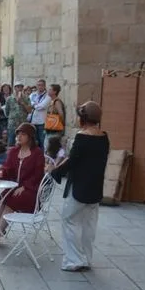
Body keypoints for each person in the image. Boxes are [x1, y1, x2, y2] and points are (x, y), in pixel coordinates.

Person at [49, 102, 110, 271]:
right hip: (95, 186)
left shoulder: (82, 137)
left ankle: (73, 260)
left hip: (80, 187)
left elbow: (73, 161)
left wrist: (56, 171)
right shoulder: (104, 136)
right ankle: (86, 259)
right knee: (89, 224)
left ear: (83, 118)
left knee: (70, 220)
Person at [0, 123, 46, 245]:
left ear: (30, 137)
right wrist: (1, 173)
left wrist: (25, 186)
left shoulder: (37, 153)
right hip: (15, 187)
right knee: (0, 199)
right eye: (18, 134)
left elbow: (38, 175)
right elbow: (8, 169)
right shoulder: (14, 151)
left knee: (12, 201)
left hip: (32, 190)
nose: (19, 137)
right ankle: (0, 228)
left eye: (23, 134)